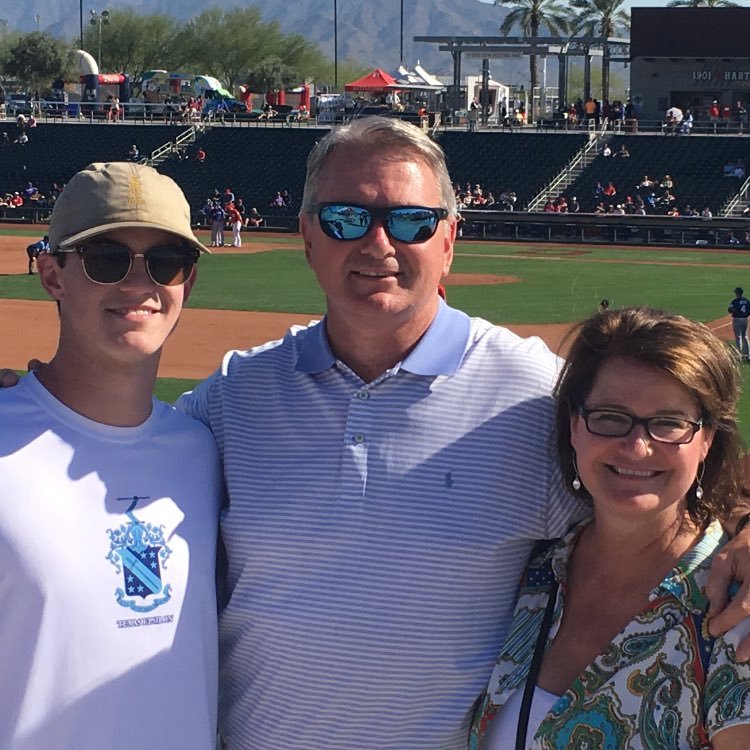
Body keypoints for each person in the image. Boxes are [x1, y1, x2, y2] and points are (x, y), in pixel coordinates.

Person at [5, 118, 750, 750]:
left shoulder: (535, 396)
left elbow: (655, 484)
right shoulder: (232, 402)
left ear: (450, 239)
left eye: (412, 221)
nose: (379, 244)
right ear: (307, 237)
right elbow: (111, 437)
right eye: (346, 218)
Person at [0, 161, 222, 749]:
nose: (138, 284)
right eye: (106, 259)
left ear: (188, 283)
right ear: (51, 275)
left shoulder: (202, 451)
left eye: (165, 262)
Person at [471, 307, 750, 749]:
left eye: (669, 422)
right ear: (574, 426)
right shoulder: (535, 572)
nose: (637, 446)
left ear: (706, 439)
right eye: (609, 416)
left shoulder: (734, 610)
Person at [729, 286, 750, 362]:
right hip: (745, 319)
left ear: (737, 293)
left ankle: (739, 355)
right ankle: (748, 354)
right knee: (745, 336)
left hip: (737, 319)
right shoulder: (747, 301)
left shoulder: (735, 301)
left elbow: (730, 310)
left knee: (738, 337)